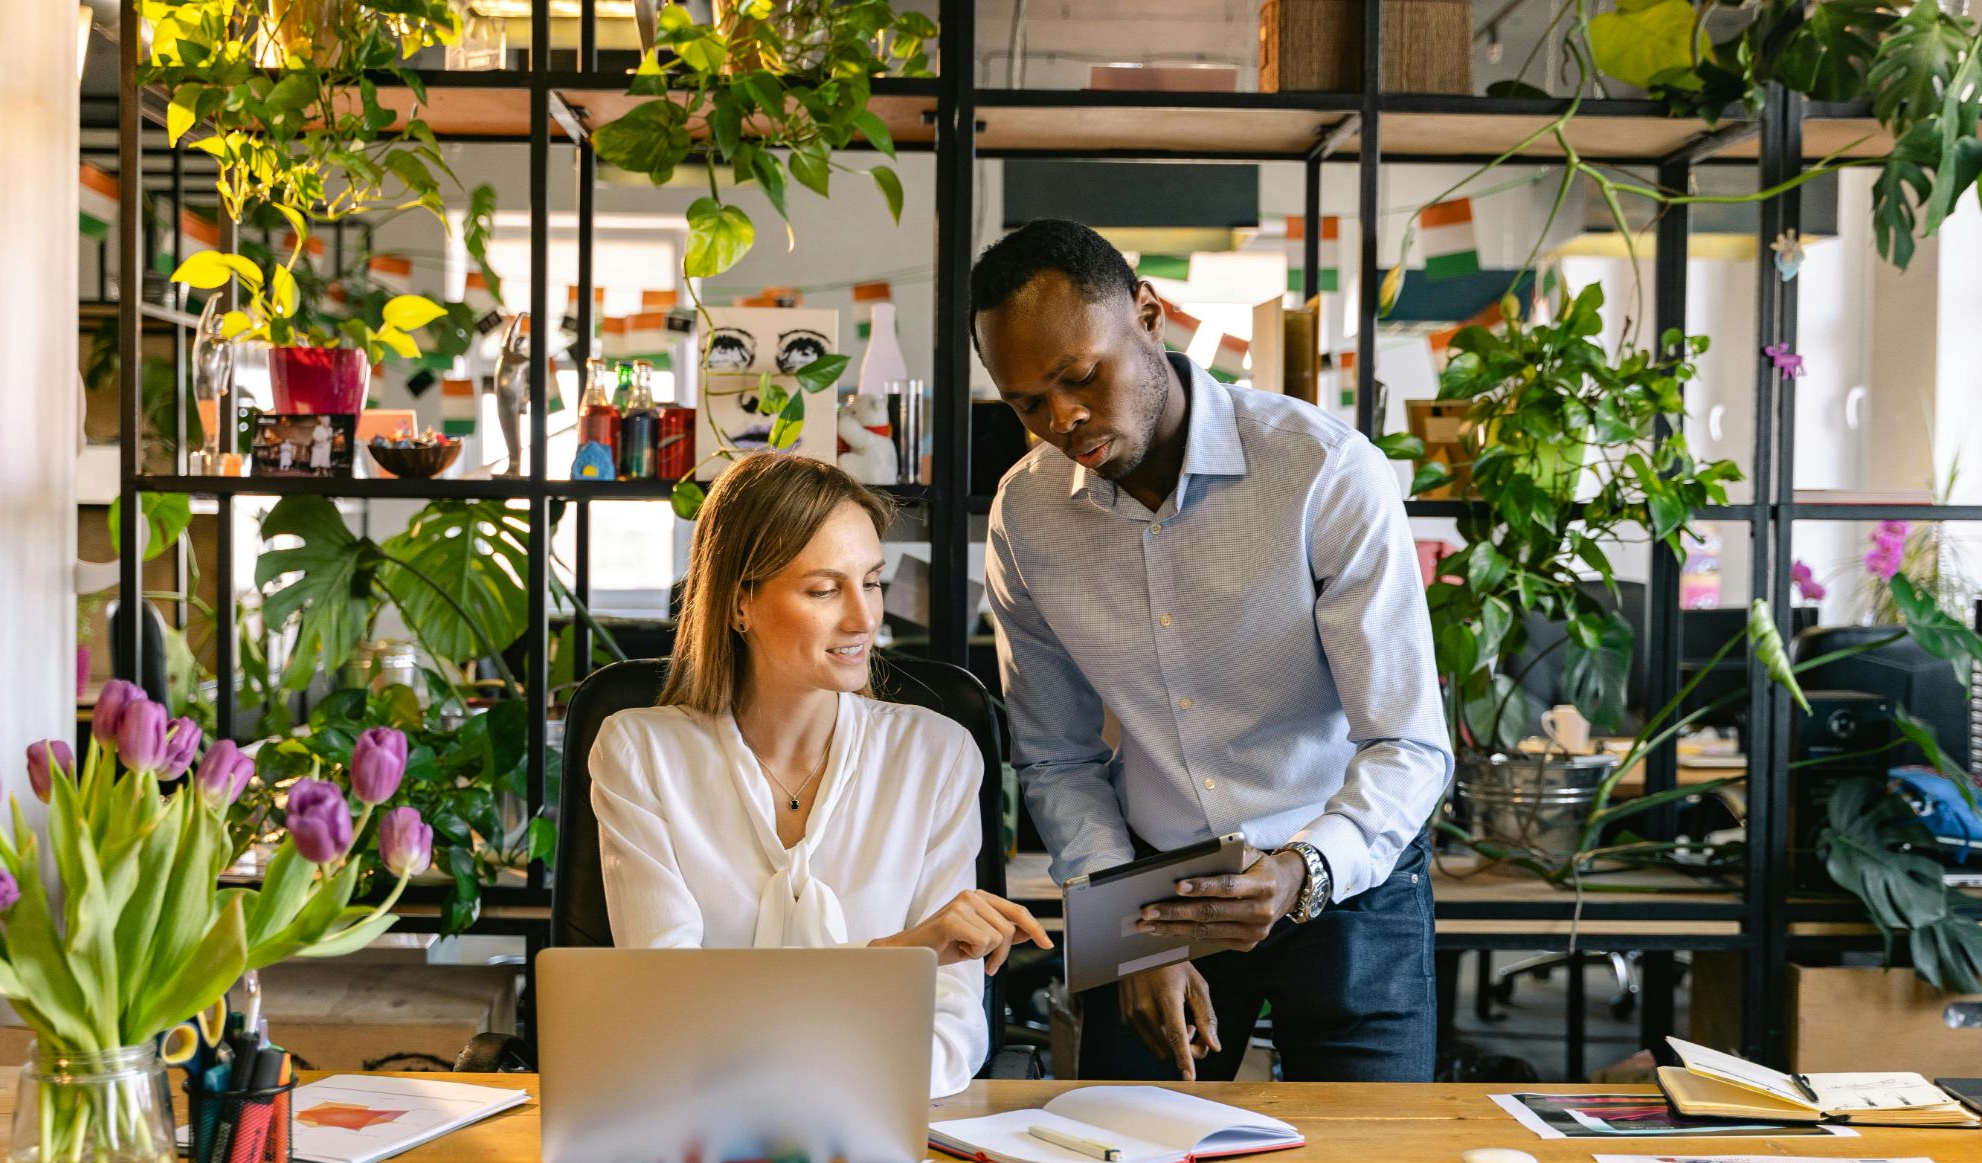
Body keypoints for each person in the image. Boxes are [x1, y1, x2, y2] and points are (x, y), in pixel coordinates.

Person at [975, 219, 1453, 1083]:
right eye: (1027, 402)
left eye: (1081, 376)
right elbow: (1055, 757)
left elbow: (1408, 743)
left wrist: (1302, 870)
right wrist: (1122, 931)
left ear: (1149, 316)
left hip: (1343, 867)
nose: (1063, 419)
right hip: (1153, 893)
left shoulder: (1323, 473)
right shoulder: (1027, 515)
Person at [588, 450, 1050, 1097]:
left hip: (888, 1131)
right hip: (693, 1129)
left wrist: (771, 1047)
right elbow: (669, 1012)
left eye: (872, 581)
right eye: (825, 589)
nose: (864, 619)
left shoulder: (937, 756)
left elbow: (952, 1033)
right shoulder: (640, 754)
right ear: (740, 602)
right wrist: (896, 958)